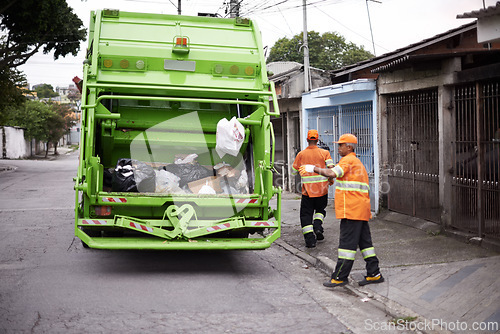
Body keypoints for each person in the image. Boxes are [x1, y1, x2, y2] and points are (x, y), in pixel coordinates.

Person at [299, 133, 384, 287]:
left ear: (349, 147)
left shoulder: (348, 160)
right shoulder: (355, 161)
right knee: (366, 244)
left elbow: (332, 172)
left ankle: (339, 277)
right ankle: (374, 273)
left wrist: (312, 168)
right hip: (360, 210)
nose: (338, 148)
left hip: (352, 210)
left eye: (340, 145)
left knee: (346, 245)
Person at [292, 129, 334, 248]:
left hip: (307, 192)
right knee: (320, 210)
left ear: (307, 140)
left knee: (306, 215)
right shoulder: (324, 153)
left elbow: (294, 171)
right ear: (317, 139)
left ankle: (310, 240)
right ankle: (317, 226)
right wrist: (331, 180)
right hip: (322, 190)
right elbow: (331, 169)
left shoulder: (301, 154)